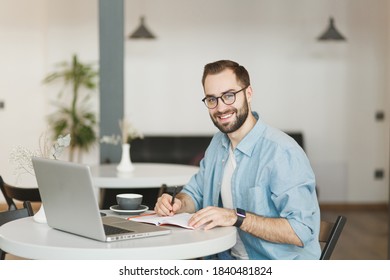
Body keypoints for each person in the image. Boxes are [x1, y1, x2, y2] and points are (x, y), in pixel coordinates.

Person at [154, 60, 321, 260]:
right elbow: (194, 194)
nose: (221, 107)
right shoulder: (218, 144)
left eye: (229, 96)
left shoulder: (282, 152)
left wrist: (235, 217)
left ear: (248, 94)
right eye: (212, 99)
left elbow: (301, 230)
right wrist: (177, 203)